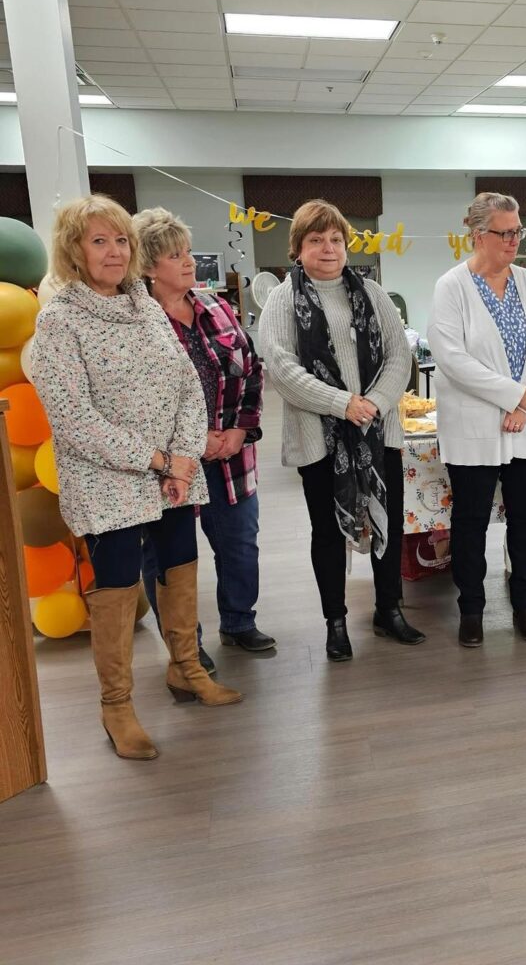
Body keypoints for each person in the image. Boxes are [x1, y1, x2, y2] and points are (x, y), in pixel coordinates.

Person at [31, 195, 242, 762]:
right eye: (99, 241)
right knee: (119, 586)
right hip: (108, 482)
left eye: (121, 240)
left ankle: (186, 669)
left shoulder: (144, 305)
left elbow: (185, 385)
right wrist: (157, 461)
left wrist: (180, 458)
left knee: (179, 566)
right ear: (74, 250)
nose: (114, 251)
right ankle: (117, 706)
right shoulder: (59, 320)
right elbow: (73, 421)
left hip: (171, 472)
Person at [260, 199, 424, 662]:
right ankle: (336, 621)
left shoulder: (372, 293)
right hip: (319, 440)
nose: (328, 249)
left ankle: (389, 610)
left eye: (335, 239)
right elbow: (281, 368)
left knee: (385, 520)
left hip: (378, 432)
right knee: (328, 532)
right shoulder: (282, 300)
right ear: (298, 248)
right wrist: (342, 404)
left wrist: (372, 404)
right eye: (316, 240)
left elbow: (399, 355)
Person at [134, 208, 273, 674]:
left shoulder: (215, 305)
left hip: (231, 455)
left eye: (188, 251)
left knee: (240, 543)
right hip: (170, 465)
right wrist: (192, 443)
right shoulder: (135, 321)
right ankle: (185, 646)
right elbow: (135, 398)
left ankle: (238, 621)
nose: (189, 262)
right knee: (169, 558)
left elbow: (251, 370)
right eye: (175, 255)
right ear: (149, 267)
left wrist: (239, 429)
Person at [428, 192, 526, 648]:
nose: (514, 241)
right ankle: (472, 609)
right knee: (470, 523)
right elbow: (452, 359)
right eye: (505, 233)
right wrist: (513, 396)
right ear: (478, 235)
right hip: (475, 427)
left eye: (517, 231)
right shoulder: (452, 287)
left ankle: (525, 603)